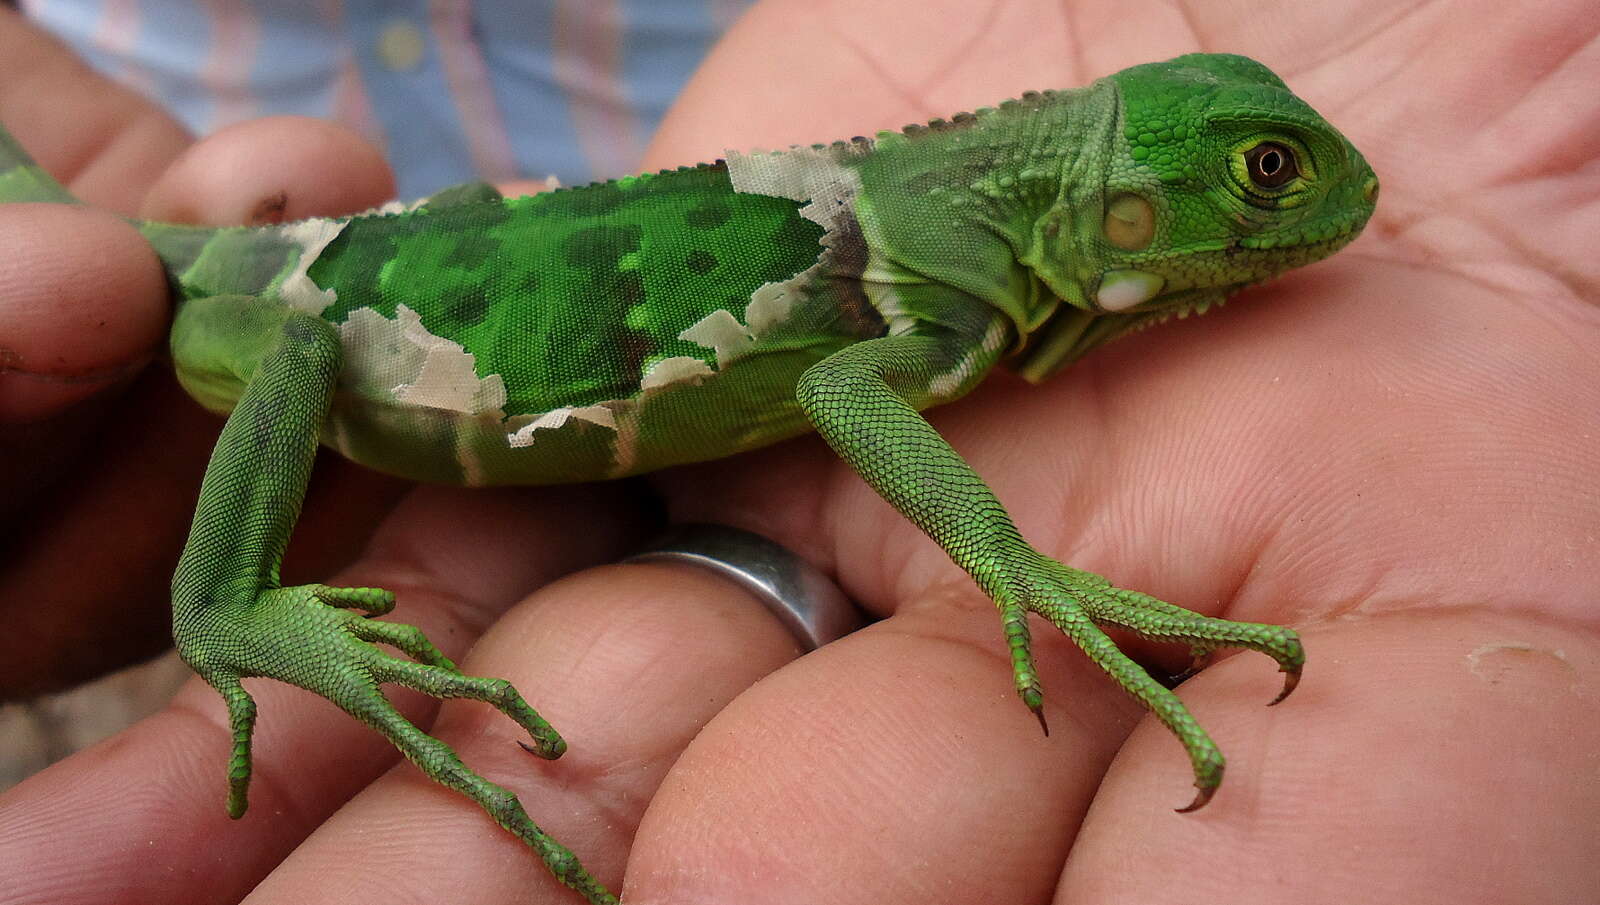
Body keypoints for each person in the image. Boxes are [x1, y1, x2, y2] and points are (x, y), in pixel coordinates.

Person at [2, 0, 1597, 901]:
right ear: (1121, 212)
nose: (1302, 204)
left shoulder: (972, 271)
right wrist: (1011, 558)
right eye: (1261, 173)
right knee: (259, 336)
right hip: (278, 283)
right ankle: (223, 606)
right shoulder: (937, 309)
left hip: (567, 156)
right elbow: (846, 395)